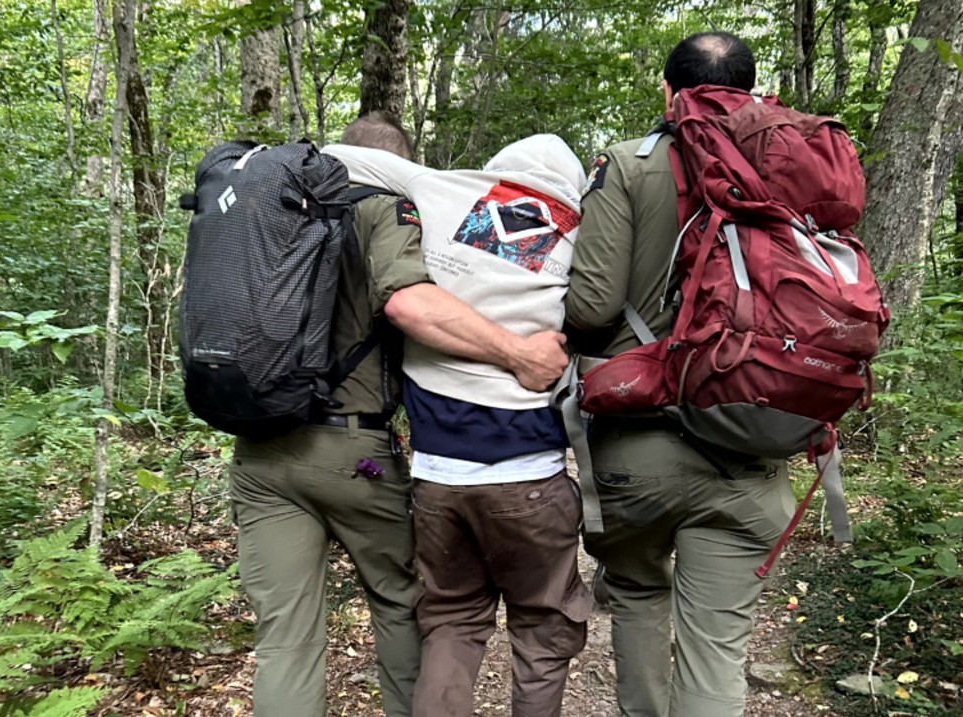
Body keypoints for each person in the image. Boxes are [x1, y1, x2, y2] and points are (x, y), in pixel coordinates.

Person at [228, 111, 570, 717]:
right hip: (351, 453)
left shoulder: (272, 212)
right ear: (396, 166)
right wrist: (518, 351)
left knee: (284, 640)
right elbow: (412, 305)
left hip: (258, 450)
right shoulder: (382, 208)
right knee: (403, 607)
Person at [564, 33, 796, 717]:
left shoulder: (631, 167)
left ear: (668, 92)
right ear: (749, 92)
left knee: (637, 595)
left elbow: (594, 303)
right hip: (751, 442)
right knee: (718, 647)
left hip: (640, 448)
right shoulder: (788, 166)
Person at [326, 134, 592, 717]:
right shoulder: (582, 229)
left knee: (450, 623)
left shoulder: (436, 187)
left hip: (438, 479)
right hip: (531, 477)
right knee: (543, 633)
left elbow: (332, 154)